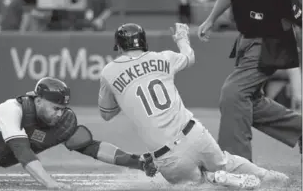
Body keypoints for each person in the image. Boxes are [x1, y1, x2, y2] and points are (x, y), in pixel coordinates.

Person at [97, 22, 289, 189]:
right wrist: (181, 37)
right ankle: (270, 177)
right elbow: (189, 56)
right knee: (225, 162)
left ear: (120, 46)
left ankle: (214, 180)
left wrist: (124, 97)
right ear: (143, 41)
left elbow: (106, 114)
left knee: (197, 187)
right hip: (194, 134)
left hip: (167, 155)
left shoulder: (109, 72)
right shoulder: (162, 58)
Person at [197, 0, 302, 161]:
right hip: (246, 39)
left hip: (272, 43)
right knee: (248, 103)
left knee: (233, 94)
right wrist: (210, 19)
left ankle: (236, 163)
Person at [0, 77, 157, 190]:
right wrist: (50, 183)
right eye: (55, 108)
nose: (60, 114)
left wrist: (136, 162)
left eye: (63, 109)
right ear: (38, 100)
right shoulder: (12, 110)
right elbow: (22, 152)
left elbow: (92, 147)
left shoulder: (61, 122)